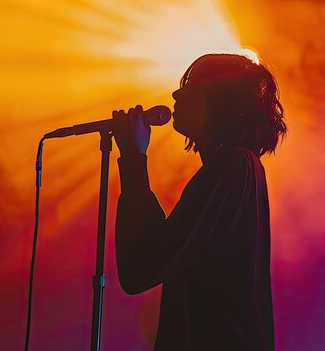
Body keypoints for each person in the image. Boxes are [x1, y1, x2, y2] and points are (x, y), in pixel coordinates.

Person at [112, 53, 287, 351]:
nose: (176, 94)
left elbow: (143, 264)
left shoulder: (232, 167)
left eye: (191, 86)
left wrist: (133, 159)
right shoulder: (240, 167)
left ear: (221, 100)